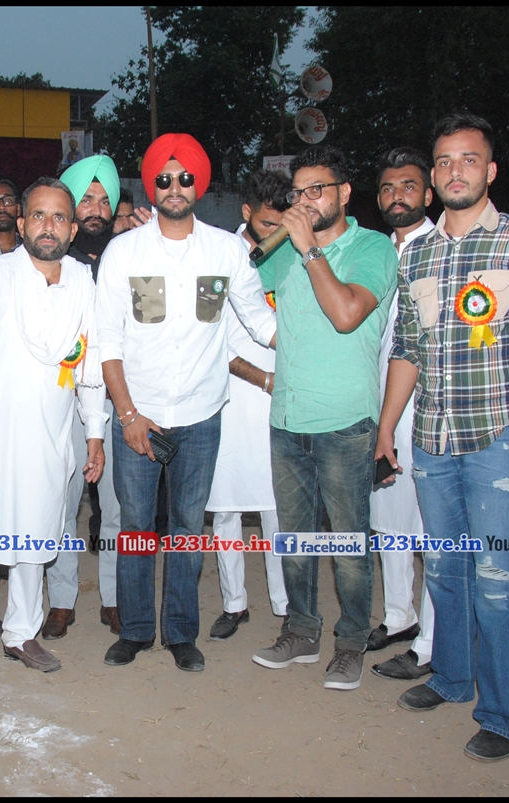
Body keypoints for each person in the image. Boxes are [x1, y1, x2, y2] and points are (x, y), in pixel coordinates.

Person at [377, 112, 509, 762]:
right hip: (433, 440)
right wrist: (386, 428)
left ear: (489, 170)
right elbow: (407, 349)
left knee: (497, 576)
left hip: (502, 439)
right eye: (444, 161)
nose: (454, 170)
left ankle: (502, 715)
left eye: (468, 159)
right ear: (434, 178)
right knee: (445, 569)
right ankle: (452, 676)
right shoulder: (419, 255)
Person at [95, 133, 278, 673]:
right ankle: (134, 630)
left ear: (200, 184)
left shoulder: (226, 251)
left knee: (187, 527)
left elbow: (260, 321)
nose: (175, 187)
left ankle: (180, 632)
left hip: (201, 416)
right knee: (135, 527)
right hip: (140, 417)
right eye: (164, 178)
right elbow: (107, 341)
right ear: (150, 187)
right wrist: (128, 415)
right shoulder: (125, 252)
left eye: (185, 177)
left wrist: (315, 337)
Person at [0, 177, 105, 675]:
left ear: (72, 229)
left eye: (59, 217)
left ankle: (21, 632)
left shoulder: (82, 282)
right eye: (38, 215)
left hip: (48, 435)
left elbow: (90, 364)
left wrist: (94, 433)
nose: (48, 226)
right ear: (21, 222)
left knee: (36, 537)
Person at [251, 145, 398, 692]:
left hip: (344, 423)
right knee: (294, 538)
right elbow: (237, 282)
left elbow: (346, 314)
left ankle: (351, 643)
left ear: (345, 193)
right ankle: (301, 631)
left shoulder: (372, 248)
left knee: (349, 545)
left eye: (318, 189)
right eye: (299, 192)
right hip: (288, 418)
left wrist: (309, 249)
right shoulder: (286, 248)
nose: (306, 200)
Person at [204, 169, 292, 641]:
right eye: (266, 223)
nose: (274, 233)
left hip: (285, 397)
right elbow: (207, 337)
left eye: (282, 223)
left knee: (280, 504)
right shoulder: (219, 255)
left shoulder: (297, 253)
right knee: (227, 508)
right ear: (246, 212)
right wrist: (263, 379)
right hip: (232, 397)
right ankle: (234, 603)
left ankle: (286, 603)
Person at [42, 154, 127, 639]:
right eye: (86, 199)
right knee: (63, 502)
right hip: (62, 401)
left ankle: (113, 598)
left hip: (118, 400)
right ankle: (61, 599)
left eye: (104, 200)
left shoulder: (128, 255)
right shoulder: (51, 260)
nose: (96, 208)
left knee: (115, 506)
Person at [367, 148, 437, 683]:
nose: (398, 196)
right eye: (389, 188)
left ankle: (431, 642)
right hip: (380, 408)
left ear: (428, 193)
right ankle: (398, 616)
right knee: (388, 517)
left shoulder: (442, 249)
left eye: (408, 186)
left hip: (430, 410)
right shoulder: (375, 252)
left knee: (431, 528)